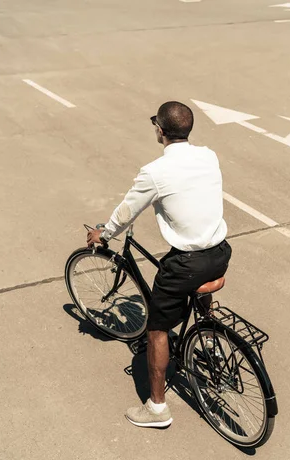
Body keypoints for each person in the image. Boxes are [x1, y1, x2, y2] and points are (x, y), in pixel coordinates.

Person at [87, 101, 231, 428]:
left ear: (160, 130)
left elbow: (126, 212)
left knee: (156, 329)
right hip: (221, 252)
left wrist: (104, 233)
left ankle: (157, 408)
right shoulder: (209, 155)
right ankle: (208, 338)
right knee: (195, 280)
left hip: (187, 263)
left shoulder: (155, 172)